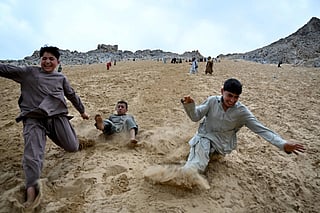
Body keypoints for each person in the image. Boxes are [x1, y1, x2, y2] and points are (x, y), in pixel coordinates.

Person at [0, 46, 91, 208]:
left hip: (57, 118)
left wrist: (82, 111)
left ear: (57, 62)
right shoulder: (28, 72)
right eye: (44, 58)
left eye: (51, 59)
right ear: (40, 59)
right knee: (33, 154)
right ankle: (31, 191)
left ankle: (80, 142)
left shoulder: (61, 78)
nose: (47, 61)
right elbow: (5, 69)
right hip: (34, 119)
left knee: (72, 146)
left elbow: (72, 95)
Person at [180, 78, 305, 173]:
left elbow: (262, 130)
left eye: (236, 97)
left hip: (222, 146)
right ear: (222, 91)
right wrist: (190, 106)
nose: (232, 100)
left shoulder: (242, 112)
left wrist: (283, 144)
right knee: (198, 161)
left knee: (206, 154)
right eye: (230, 95)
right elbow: (195, 116)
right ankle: (184, 174)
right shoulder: (212, 101)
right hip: (204, 137)